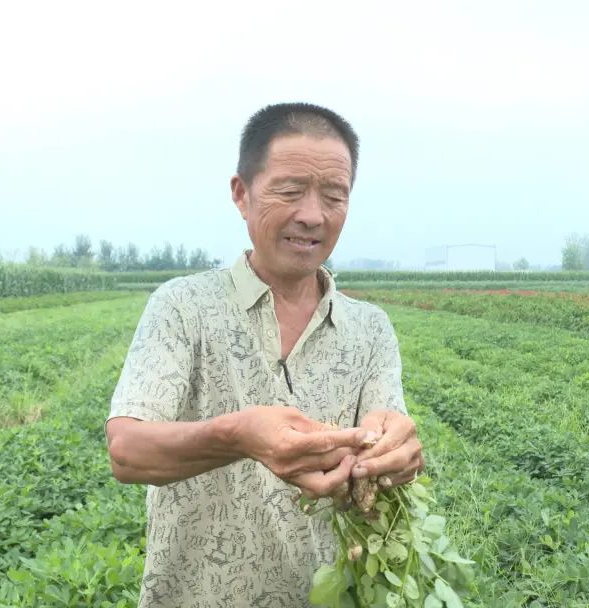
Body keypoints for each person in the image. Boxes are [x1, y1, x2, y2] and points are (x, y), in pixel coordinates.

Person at [105, 102, 424, 607]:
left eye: (334, 196)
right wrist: (240, 436)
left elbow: (387, 433)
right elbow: (127, 449)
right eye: (291, 190)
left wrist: (395, 453)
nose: (312, 215)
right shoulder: (183, 307)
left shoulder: (370, 329)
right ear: (241, 193)